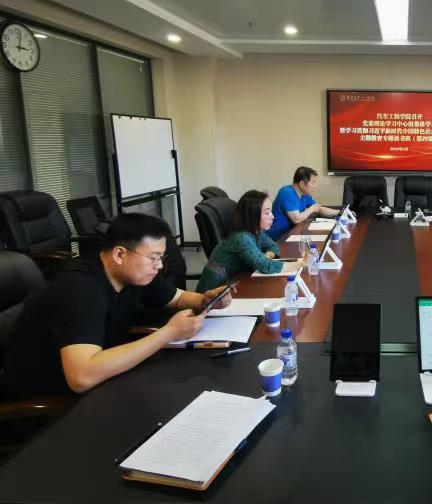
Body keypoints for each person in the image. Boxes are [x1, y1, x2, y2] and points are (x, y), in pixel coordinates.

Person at [2, 214, 233, 398]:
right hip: (50, 395)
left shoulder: (134, 274)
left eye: (161, 257)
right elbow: (81, 376)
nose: (160, 266)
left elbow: (177, 298)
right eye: (153, 258)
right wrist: (168, 333)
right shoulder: (79, 288)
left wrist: (205, 299)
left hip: (101, 375)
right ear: (120, 254)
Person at [197, 190, 303, 292]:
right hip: (215, 289)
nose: (272, 217)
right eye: (267, 213)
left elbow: (274, 247)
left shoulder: (256, 231)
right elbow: (266, 266)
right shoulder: (241, 237)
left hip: (235, 282)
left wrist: (267, 255)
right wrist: (301, 264)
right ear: (253, 215)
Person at [268, 166, 339, 238]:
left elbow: (319, 209)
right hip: (276, 237)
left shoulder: (304, 195)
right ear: (302, 184)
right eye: (313, 182)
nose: (315, 186)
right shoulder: (287, 192)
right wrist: (312, 208)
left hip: (291, 234)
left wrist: (340, 212)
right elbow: (296, 219)